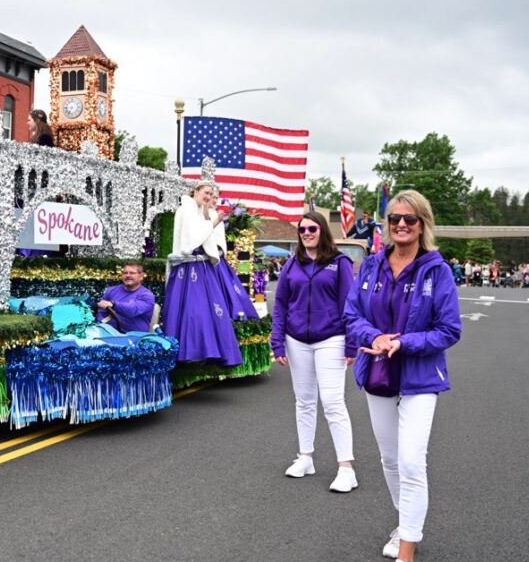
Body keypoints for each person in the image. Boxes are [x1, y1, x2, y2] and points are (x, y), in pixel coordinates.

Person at [344, 190, 461, 562]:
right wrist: (375, 337)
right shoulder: (373, 265)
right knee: (390, 460)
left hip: (419, 377)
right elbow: (352, 314)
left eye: (409, 219)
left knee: (411, 461)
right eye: (394, 218)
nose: (401, 225)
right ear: (386, 224)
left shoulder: (437, 270)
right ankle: (404, 522)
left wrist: (403, 342)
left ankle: (406, 557)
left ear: (423, 224)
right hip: (377, 371)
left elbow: (449, 330)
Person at [271, 211, 358, 492]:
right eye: (302, 229)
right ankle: (305, 457)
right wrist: (277, 340)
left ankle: (346, 468)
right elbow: (281, 303)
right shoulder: (291, 265)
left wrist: (352, 342)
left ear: (322, 230)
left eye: (311, 228)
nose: (306, 233)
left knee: (333, 402)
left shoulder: (339, 263)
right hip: (296, 339)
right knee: (304, 401)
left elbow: (351, 304)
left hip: (331, 338)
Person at [163, 181, 258, 366]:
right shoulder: (186, 209)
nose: (208, 197)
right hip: (189, 267)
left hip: (202, 265)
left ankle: (208, 351)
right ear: (196, 191)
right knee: (193, 311)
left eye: (211, 194)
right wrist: (214, 221)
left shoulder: (199, 210)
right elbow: (194, 238)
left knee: (210, 309)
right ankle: (190, 352)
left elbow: (210, 239)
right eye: (206, 192)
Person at [97, 263, 156, 333]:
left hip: (135, 338)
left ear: (141, 276)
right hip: (108, 333)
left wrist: (113, 304)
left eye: (132, 273)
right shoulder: (111, 291)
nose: (128, 275)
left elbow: (133, 310)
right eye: (125, 273)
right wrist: (99, 326)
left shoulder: (147, 295)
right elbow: (101, 313)